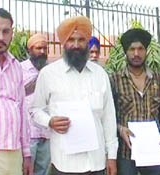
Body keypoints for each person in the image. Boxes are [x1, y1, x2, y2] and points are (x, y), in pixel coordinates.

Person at [31, 16, 118, 175]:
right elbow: (35, 110)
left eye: (81, 40)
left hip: (96, 163)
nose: (76, 45)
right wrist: (49, 121)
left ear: (87, 42)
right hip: (64, 164)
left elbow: (109, 118)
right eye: (71, 39)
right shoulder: (48, 74)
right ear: (63, 43)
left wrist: (112, 156)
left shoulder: (100, 75)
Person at [110, 28, 160, 175]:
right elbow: (108, 115)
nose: (136, 54)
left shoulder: (158, 78)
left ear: (146, 51)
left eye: (140, 49)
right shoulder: (115, 80)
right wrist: (120, 129)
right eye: (132, 49)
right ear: (126, 52)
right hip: (126, 152)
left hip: (154, 150)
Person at [0, 8, 32, 175]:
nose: (0, 37)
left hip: (14, 152)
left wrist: (26, 153)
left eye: (6, 31)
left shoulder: (16, 66)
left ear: (12, 33)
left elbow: (22, 109)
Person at [21, 33, 51, 175]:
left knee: (44, 172)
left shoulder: (51, 70)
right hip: (29, 133)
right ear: (30, 50)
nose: (42, 52)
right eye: (39, 48)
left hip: (47, 131)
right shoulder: (20, 69)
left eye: (45, 48)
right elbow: (15, 94)